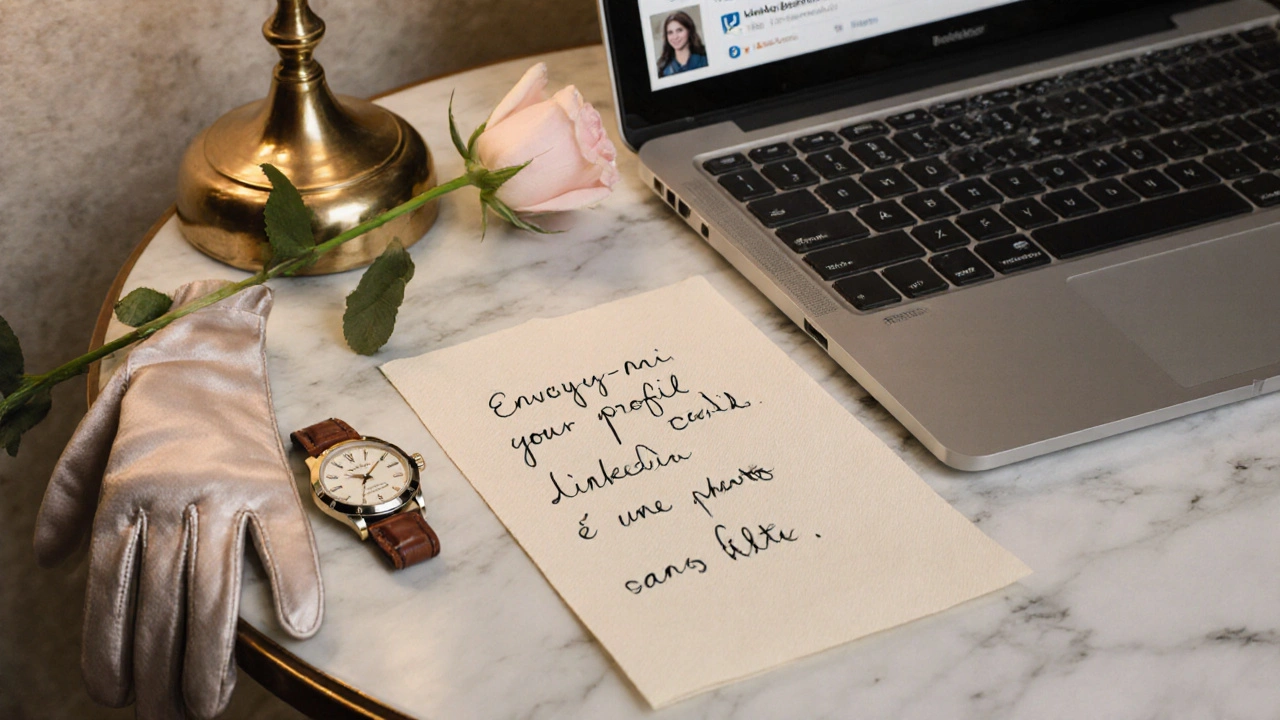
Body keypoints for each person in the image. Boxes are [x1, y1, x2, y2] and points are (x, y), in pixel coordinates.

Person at [656, 11, 708, 77]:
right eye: (670, 32)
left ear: (689, 31)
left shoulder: (705, 60)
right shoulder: (663, 70)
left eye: (679, 30)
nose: (675, 37)